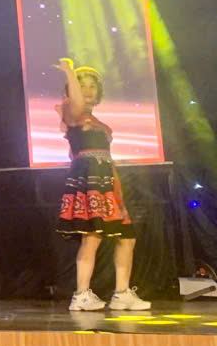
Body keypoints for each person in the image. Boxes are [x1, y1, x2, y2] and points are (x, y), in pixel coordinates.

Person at [54, 58, 150, 312]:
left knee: (127, 238)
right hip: (90, 179)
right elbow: (74, 102)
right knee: (92, 236)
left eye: (92, 86)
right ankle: (81, 294)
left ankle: (121, 293)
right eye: (81, 85)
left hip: (108, 179)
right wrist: (69, 72)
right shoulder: (70, 111)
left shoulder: (95, 120)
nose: (87, 90)